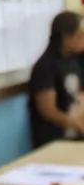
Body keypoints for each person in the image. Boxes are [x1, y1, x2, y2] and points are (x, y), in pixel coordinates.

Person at [28, 10, 84, 146]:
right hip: (55, 142)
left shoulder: (75, 60)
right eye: (80, 36)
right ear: (66, 38)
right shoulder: (45, 66)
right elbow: (48, 111)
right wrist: (78, 125)